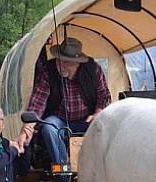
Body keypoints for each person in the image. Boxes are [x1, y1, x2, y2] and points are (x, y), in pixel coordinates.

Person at [17, 37, 111, 165]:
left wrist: (98, 114)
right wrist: (26, 130)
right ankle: (63, 168)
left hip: (87, 119)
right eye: (59, 60)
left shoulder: (94, 70)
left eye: (67, 62)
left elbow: (104, 96)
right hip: (59, 119)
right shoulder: (48, 71)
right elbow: (38, 102)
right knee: (48, 127)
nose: (61, 66)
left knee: (103, 125)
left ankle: (98, 166)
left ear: (78, 63)